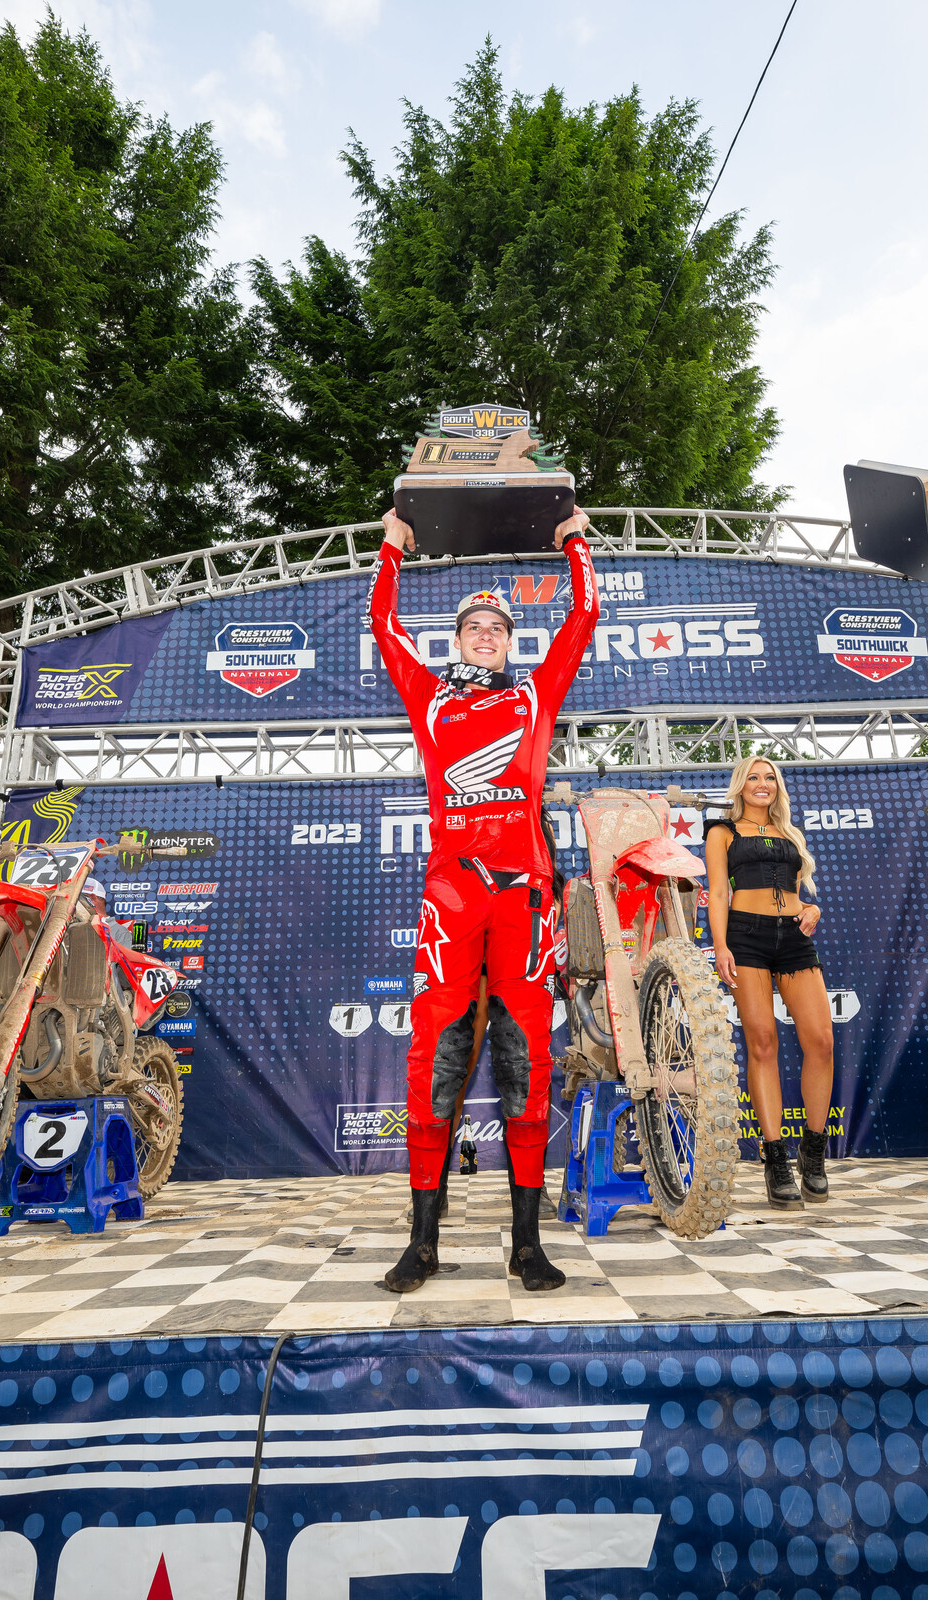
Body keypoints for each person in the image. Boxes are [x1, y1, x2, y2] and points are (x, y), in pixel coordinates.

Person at [369, 505, 599, 1294]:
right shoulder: (430, 698)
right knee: (434, 1064)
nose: (486, 633)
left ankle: (527, 1245)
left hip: (525, 901)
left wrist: (573, 537)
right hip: (452, 894)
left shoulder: (536, 697)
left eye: (498, 626)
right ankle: (422, 1243)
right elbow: (382, 621)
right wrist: (393, 548)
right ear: (457, 639)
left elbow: (586, 614)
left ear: (511, 641)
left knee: (526, 1066)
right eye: (474, 625)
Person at [705, 757, 834, 1210]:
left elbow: (801, 892)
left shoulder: (790, 835)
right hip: (746, 937)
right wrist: (720, 945)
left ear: (778, 788)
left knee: (821, 1041)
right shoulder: (722, 832)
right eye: (754, 778)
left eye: (771, 778)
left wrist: (813, 909)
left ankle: (813, 1152)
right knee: (762, 1043)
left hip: (794, 938)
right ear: (740, 786)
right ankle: (775, 1159)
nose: (763, 784)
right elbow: (718, 892)